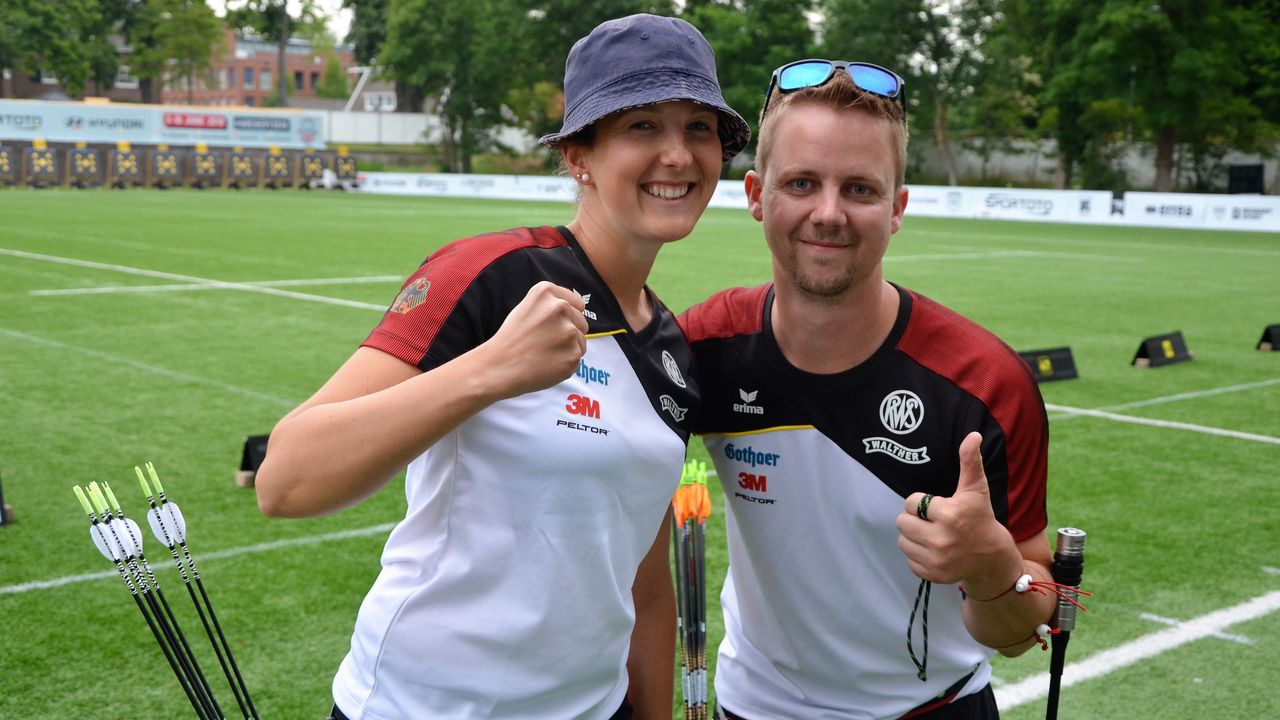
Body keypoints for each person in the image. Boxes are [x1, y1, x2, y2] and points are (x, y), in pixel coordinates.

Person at [254, 14, 750, 720]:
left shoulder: (671, 349)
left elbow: (642, 585)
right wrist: (492, 369)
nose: (678, 154)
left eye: (699, 128)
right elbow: (285, 478)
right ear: (580, 154)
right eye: (642, 126)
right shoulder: (490, 274)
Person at [678, 60, 1054, 719]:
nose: (828, 213)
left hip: (935, 709)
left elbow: (1032, 623)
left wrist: (992, 566)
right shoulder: (705, 347)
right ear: (756, 195)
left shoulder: (986, 385)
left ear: (897, 208)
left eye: (859, 189)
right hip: (753, 708)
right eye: (801, 183)